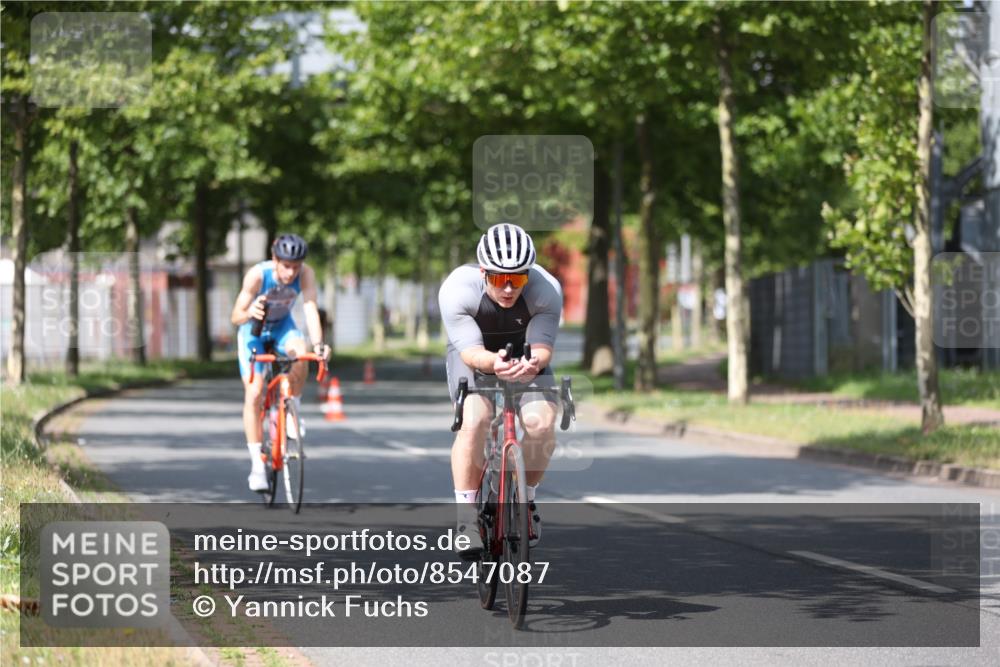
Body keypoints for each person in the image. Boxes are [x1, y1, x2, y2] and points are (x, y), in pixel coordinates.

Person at [438, 223, 563, 558]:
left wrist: (533, 363)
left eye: (517, 279)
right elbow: (470, 353)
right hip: (474, 355)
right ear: (483, 273)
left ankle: (527, 500)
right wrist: (494, 364)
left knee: (542, 422)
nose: (508, 288)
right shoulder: (457, 290)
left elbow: (542, 347)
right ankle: (466, 519)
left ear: (528, 274)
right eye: (498, 279)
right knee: (475, 419)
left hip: (524, 354)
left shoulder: (546, 289)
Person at [230, 234, 329, 492]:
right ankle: (256, 467)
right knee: (255, 392)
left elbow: (310, 309)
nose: (291, 272)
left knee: (303, 352)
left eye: (296, 266)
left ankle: (292, 409)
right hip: (253, 332)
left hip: (282, 328)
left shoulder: (305, 274)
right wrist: (249, 312)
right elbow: (235, 315)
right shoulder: (257, 275)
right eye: (286, 266)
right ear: (275, 260)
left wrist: (319, 345)